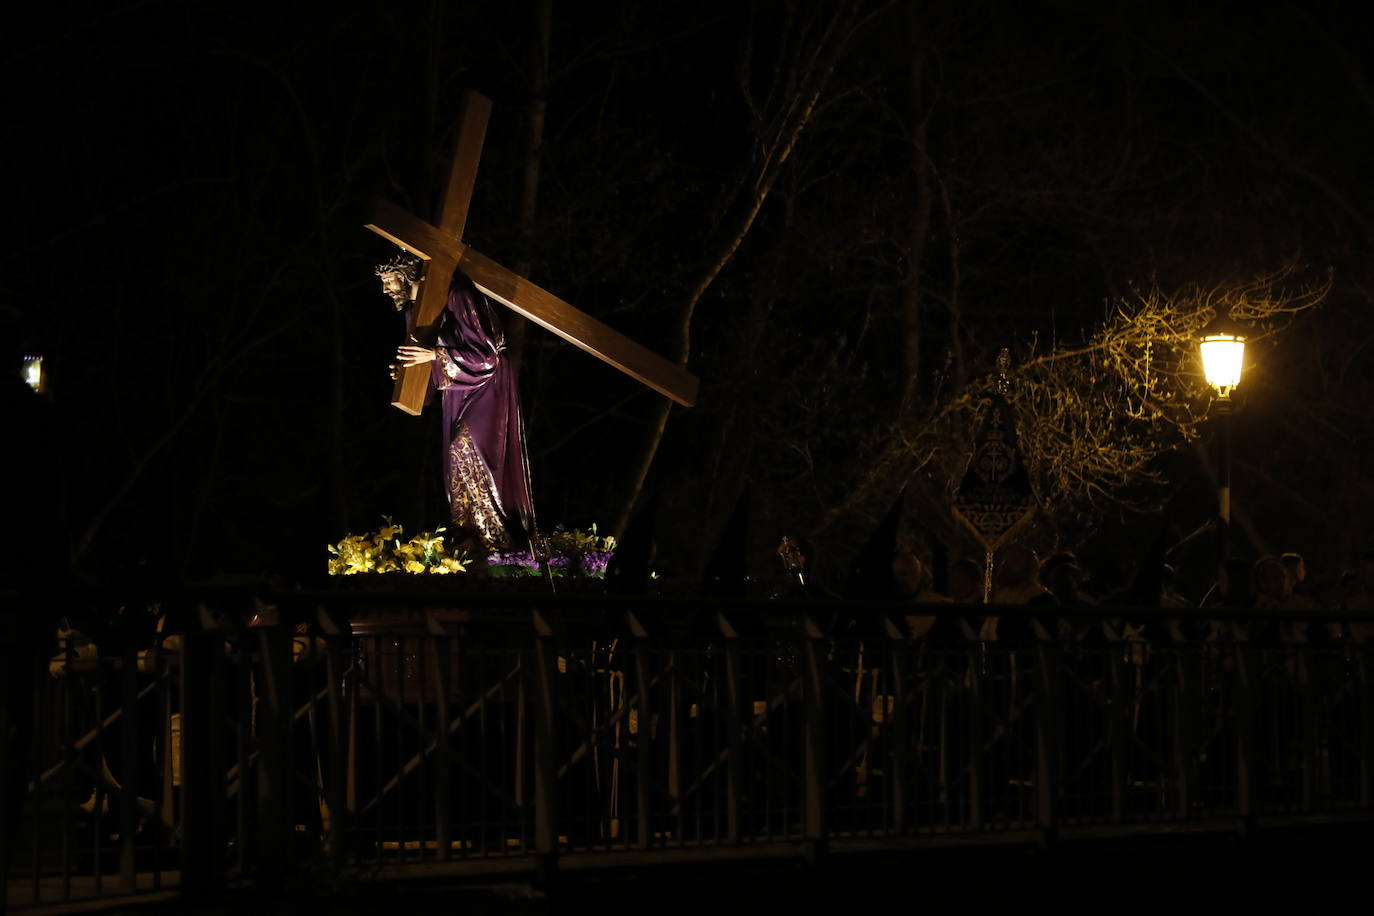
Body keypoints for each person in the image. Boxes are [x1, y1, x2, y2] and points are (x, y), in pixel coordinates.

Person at [378, 254, 536, 553]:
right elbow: (426, 380)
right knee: (455, 463)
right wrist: (408, 374)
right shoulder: (416, 313)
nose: (387, 290)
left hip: (487, 388)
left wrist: (435, 357)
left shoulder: (459, 294)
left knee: (466, 449)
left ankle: (499, 539)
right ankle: (473, 538)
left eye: (390, 281)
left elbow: (487, 357)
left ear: (409, 273)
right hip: (456, 392)